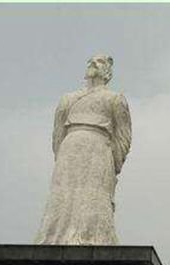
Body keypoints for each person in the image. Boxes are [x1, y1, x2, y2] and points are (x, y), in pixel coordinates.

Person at [35, 55, 132, 245]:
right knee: (63, 191)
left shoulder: (114, 99)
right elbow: (57, 132)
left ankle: (94, 237)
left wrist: (113, 163)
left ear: (108, 72)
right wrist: (62, 153)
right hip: (70, 147)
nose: (93, 64)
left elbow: (123, 135)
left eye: (100, 62)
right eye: (91, 61)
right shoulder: (68, 99)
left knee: (94, 193)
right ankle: (55, 237)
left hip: (98, 147)